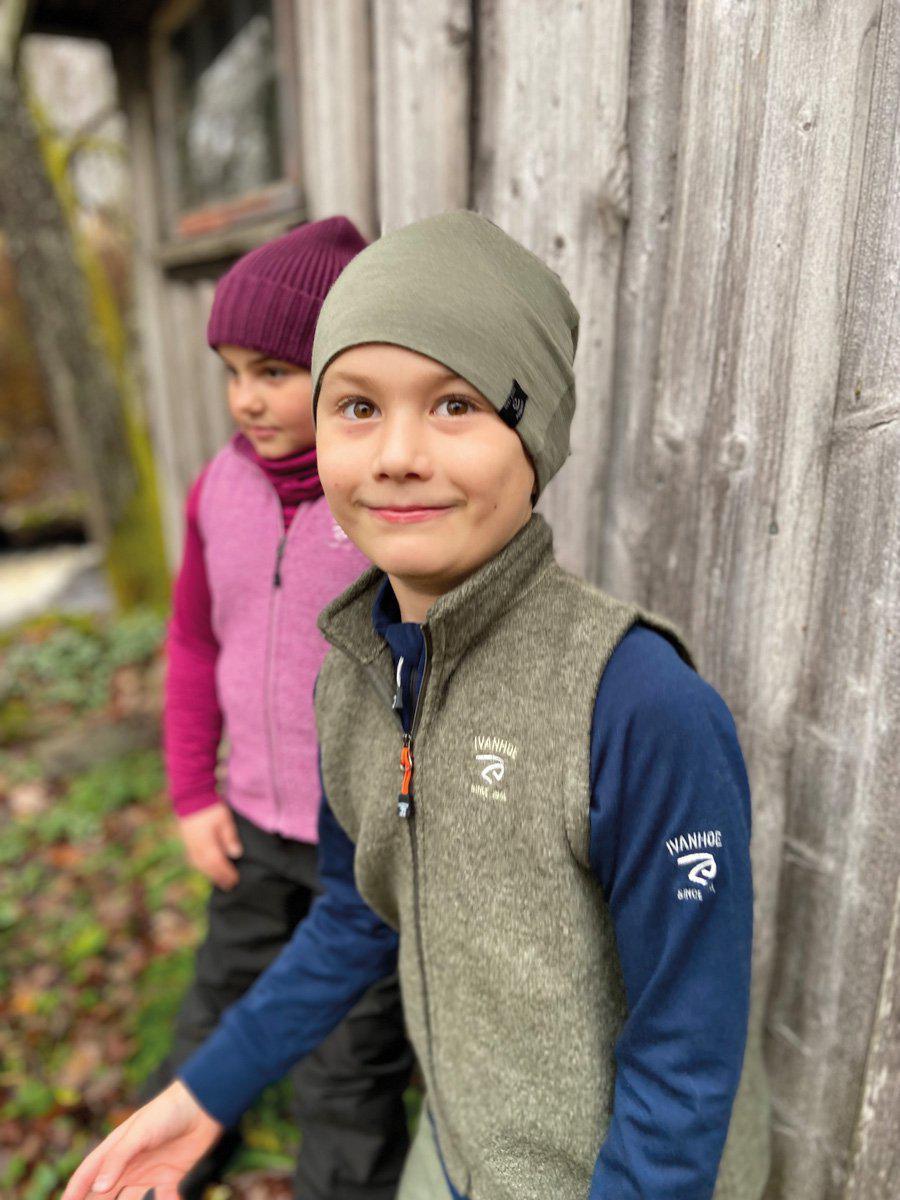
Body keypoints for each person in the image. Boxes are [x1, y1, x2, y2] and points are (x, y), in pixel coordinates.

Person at [63, 210, 771, 1200]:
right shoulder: (352, 680)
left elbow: (685, 1057)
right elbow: (356, 914)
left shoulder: (640, 706)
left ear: (534, 433)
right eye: (357, 406)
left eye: (454, 404)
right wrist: (208, 1090)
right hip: (453, 1151)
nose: (396, 453)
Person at [139, 216, 414, 1200]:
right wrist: (191, 794)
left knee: (350, 1062)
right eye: (231, 372)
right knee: (218, 1005)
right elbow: (193, 643)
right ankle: (154, 1170)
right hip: (252, 825)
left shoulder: (384, 505)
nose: (245, 399)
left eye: (273, 372)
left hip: (363, 848)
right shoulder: (218, 489)